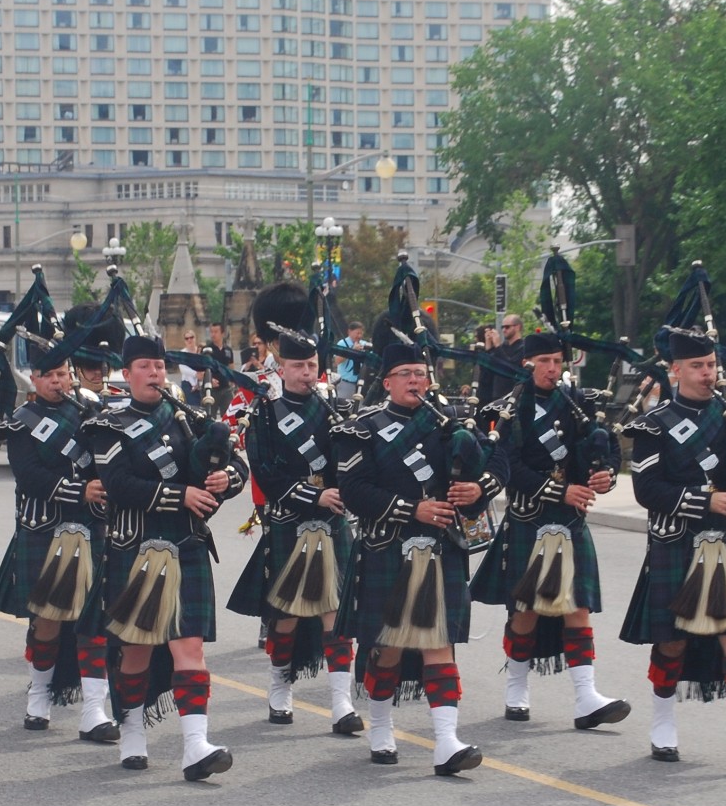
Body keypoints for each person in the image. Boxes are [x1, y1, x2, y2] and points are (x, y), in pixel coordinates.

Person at [619, 323, 726, 770]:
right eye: (697, 366)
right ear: (675, 370)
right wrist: (706, 500)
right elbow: (647, 491)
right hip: (678, 543)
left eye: (712, 365)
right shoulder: (654, 426)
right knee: (673, 642)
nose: (707, 373)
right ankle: (662, 724)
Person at [334, 344, 503, 775]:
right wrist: (413, 509)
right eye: (405, 373)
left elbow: (497, 461)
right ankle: (380, 725)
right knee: (387, 647)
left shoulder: (451, 425)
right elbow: (355, 491)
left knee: (438, 642)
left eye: (421, 373)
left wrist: (479, 489)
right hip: (388, 548)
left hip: (441, 549)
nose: (415, 381)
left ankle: (446, 742)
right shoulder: (363, 429)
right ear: (387, 382)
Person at [86, 333, 249, 778]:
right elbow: (119, 485)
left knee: (190, 646)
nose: (154, 373)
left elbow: (237, 465)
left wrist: (226, 480)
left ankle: (196, 746)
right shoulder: (108, 425)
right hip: (135, 549)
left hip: (186, 546)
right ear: (126, 373)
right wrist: (182, 496)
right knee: (136, 651)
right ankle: (134, 733)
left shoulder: (186, 418)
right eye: (145, 366)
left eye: (160, 365)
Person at [472, 330, 631, 729]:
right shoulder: (509, 409)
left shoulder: (577, 403)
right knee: (526, 610)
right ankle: (516, 687)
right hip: (531, 519)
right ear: (528, 364)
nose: (553, 369)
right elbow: (508, 466)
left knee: (577, 607)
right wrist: (562, 490)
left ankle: (586, 697)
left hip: (570, 522)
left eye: (558, 362)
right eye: (545, 362)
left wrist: (605, 475)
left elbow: (608, 448)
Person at [227, 283, 361, 732]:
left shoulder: (338, 411)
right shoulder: (263, 415)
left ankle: (342, 701)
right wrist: (314, 495)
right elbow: (266, 472)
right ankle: (279, 687)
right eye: (298, 366)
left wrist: (343, 492)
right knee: (283, 618)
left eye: (312, 365)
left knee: (336, 614)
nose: (306, 373)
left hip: (330, 525)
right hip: (290, 522)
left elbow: (351, 465)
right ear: (280, 367)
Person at [0, 327, 119, 741]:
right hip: (44, 529)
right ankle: (38, 696)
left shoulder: (91, 411)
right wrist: (83, 490)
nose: (57, 382)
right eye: (49, 376)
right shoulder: (21, 423)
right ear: (34, 379)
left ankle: (94, 710)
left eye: (63, 373)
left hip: (90, 527)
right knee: (46, 619)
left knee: (92, 619)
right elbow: (30, 477)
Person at [475, 313, 525, 405]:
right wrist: (489, 348)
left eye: (507, 327)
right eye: (502, 327)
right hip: (495, 397)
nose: (503, 330)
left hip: (512, 397)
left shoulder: (523, 348)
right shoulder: (502, 348)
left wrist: (497, 346)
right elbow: (486, 372)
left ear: (517, 327)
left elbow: (510, 368)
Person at [333, 321, 368, 398]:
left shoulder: (363, 344)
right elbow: (337, 361)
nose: (359, 336)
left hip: (360, 383)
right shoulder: (342, 343)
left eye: (361, 333)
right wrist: (352, 350)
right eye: (357, 333)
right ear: (349, 332)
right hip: (345, 382)